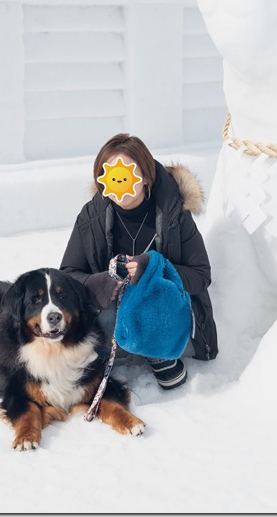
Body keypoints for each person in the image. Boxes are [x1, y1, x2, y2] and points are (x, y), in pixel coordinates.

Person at [60, 133, 218, 390]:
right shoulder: (92, 216)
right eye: (112, 176)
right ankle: (107, 354)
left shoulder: (174, 215)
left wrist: (153, 270)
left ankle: (161, 355)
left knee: (152, 288)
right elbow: (68, 275)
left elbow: (201, 275)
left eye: (127, 174)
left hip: (166, 315)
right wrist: (105, 282)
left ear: (145, 177)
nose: (120, 184)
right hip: (110, 312)